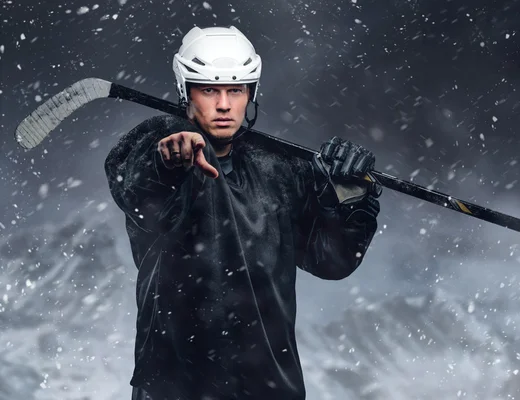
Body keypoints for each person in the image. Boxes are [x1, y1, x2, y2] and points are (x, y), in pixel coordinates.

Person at [104, 25, 382, 400]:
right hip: (175, 387)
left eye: (235, 90)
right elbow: (139, 189)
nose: (223, 104)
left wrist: (352, 196)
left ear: (250, 91)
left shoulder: (280, 171)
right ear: (186, 92)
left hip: (267, 386)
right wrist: (169, 156)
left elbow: (331, 261)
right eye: (209, 90)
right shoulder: (158, 147)